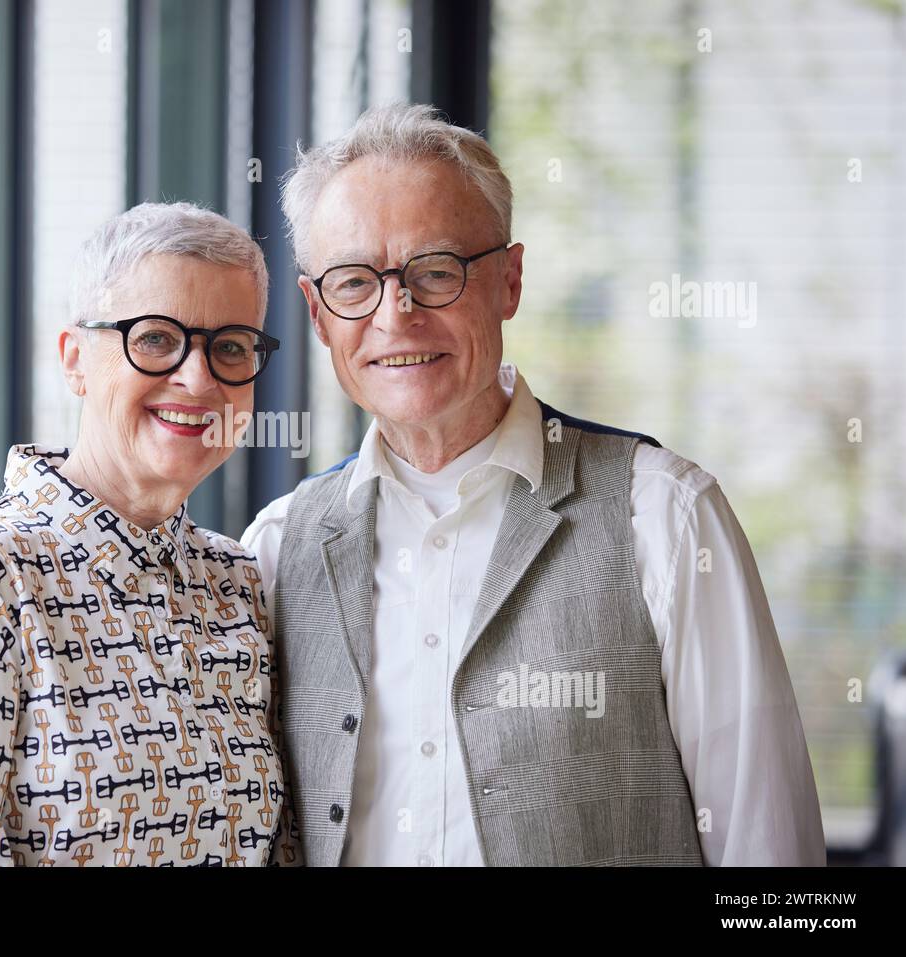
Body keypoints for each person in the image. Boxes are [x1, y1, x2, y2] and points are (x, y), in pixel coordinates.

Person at [241, 103, 825, 866]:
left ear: (509, 281)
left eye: (436, 271)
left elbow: (769, 855)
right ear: (319, 315)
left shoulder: (667, 517)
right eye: (355, 282)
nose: (398, 313)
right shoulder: (275, 551)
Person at [0, 201, 299, 866]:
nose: (197, 379)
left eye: (229, 347)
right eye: (157, 338)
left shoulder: (238, 582)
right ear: (74, 358)